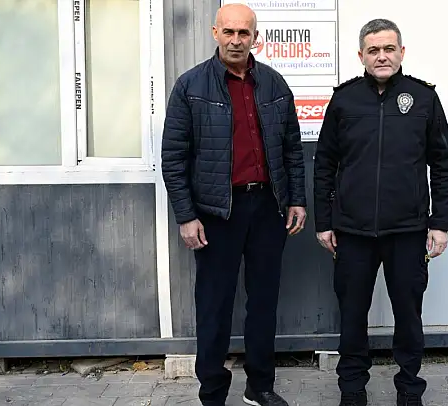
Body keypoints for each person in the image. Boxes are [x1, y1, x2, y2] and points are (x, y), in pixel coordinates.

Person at [160, 3, 307, 405]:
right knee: (214, 305)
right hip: (216, 214)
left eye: (244, 33)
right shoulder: (190, 86)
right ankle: (212, 391)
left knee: (263, 302)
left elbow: (292, 150)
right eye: (229, 32)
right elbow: (173, 158)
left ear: (255, 37)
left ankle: (260, 386)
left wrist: (296, 199)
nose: (236, 40)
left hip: (267, 209)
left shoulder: (274, 84)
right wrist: (186, 216)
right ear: (215, 33)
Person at [313, 18, 448, 406]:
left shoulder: (423, 98)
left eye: (389, 49)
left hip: (407, 231)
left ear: (401, 52)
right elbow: (324, 162)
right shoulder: (344, 100)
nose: (382, 56)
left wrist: (440, 223)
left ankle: (409, 390)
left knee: (408, 317)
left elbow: (443, 161)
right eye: (373, 50)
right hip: (352, 232)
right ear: (361, 55)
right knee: (352, 317)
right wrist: (324, 222)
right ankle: (352, 390)